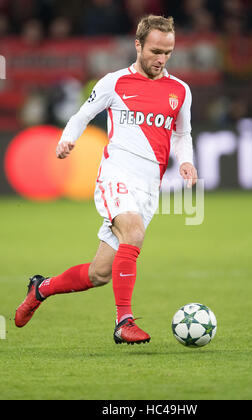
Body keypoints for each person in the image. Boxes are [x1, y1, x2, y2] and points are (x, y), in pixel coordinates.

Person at [15, 15, 198, 345]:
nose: (161, 59)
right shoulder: (114, 83)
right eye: (156, 51)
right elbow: (82, 115)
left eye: (168, 53)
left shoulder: (179, 91)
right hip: (116, 175)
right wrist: (67, 139)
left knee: (99, 274)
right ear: (138, 45)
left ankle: (40, 288)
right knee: (134, 232)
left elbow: (182, 133)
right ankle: (123, 322)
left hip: (148, 188)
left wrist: (186, 161)